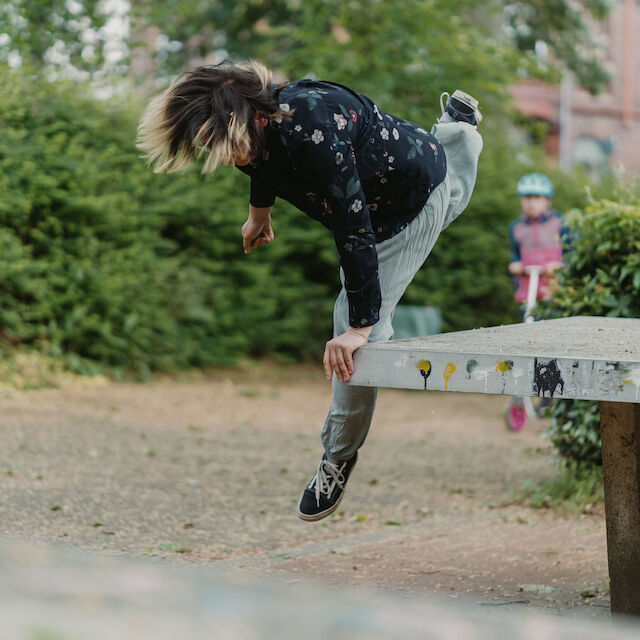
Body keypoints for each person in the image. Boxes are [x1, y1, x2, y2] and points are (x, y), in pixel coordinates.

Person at [137, 59, 483, 522]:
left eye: (219, 146)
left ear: (252, 117)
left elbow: (354, 229)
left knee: (356, 336)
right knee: (450, 188)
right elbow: (262, 159)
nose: (222, 159)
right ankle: (457, 130)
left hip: (401, 207)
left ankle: (338, 455)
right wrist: (259, 213)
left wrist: (361, 326)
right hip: (401, 161)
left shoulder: (316, 134)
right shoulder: (260, 121)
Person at [508, 173, 566, 308]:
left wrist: (561, 265)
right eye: (527, 198)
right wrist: (515, 264)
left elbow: (570, 250)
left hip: (554, 288)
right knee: (529, 318)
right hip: (528, 288)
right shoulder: (516, 227)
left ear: (548, 201)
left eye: (537, 198)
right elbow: (516, 253)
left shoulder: (560, 222)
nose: (531, 202)